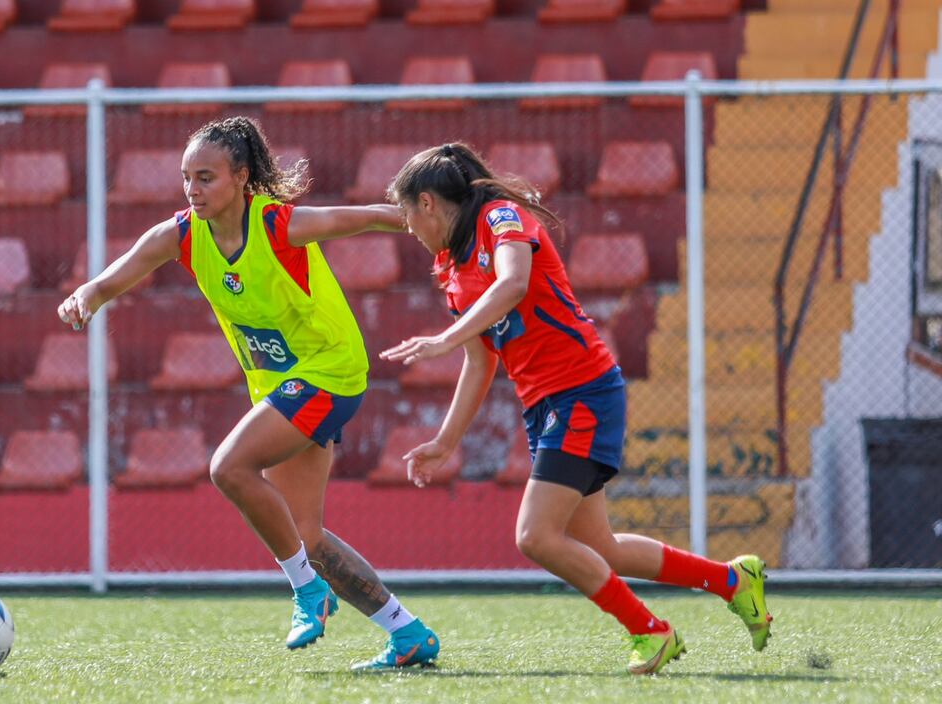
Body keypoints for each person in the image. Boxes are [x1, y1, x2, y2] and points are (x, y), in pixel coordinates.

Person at [58, 116, 438, 671]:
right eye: (187, 177)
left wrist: (433, 219)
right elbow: (124, 269)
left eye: (206, 177)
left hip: (330, 372)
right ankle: (407, 634)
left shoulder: (277, 225)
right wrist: (87, 295)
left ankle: (308, 594)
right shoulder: (185, 234)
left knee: (228, 467)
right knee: (305, 535)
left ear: (240, 177)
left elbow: (358, 219)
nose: (193, 189)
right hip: (283, 386)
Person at [380, 143, 773, 674]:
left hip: (583, 390)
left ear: (427, 203)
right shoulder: (451, 270)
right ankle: (733, 580)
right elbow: (481, 364)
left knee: (536, 536)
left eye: (407, 215)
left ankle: (650, 631)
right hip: (546, 404)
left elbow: (514, 282)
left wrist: (444, 338)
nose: (409, 230)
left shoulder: (501, 216)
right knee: (601, 549)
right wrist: (447, 440)